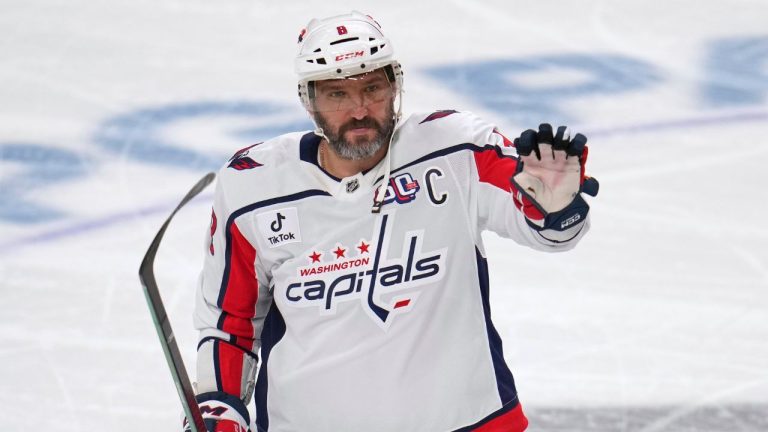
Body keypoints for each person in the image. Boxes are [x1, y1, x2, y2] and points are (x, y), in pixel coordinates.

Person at [187, 11, 598, 432]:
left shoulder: (454, 150)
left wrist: (555, 205)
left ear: (395, 84)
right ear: (309, 100)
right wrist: (220, 406)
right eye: (337, 95)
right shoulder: (254, 185)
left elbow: (548, 229)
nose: (360, 109)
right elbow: (229, 324)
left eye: (372, 88)